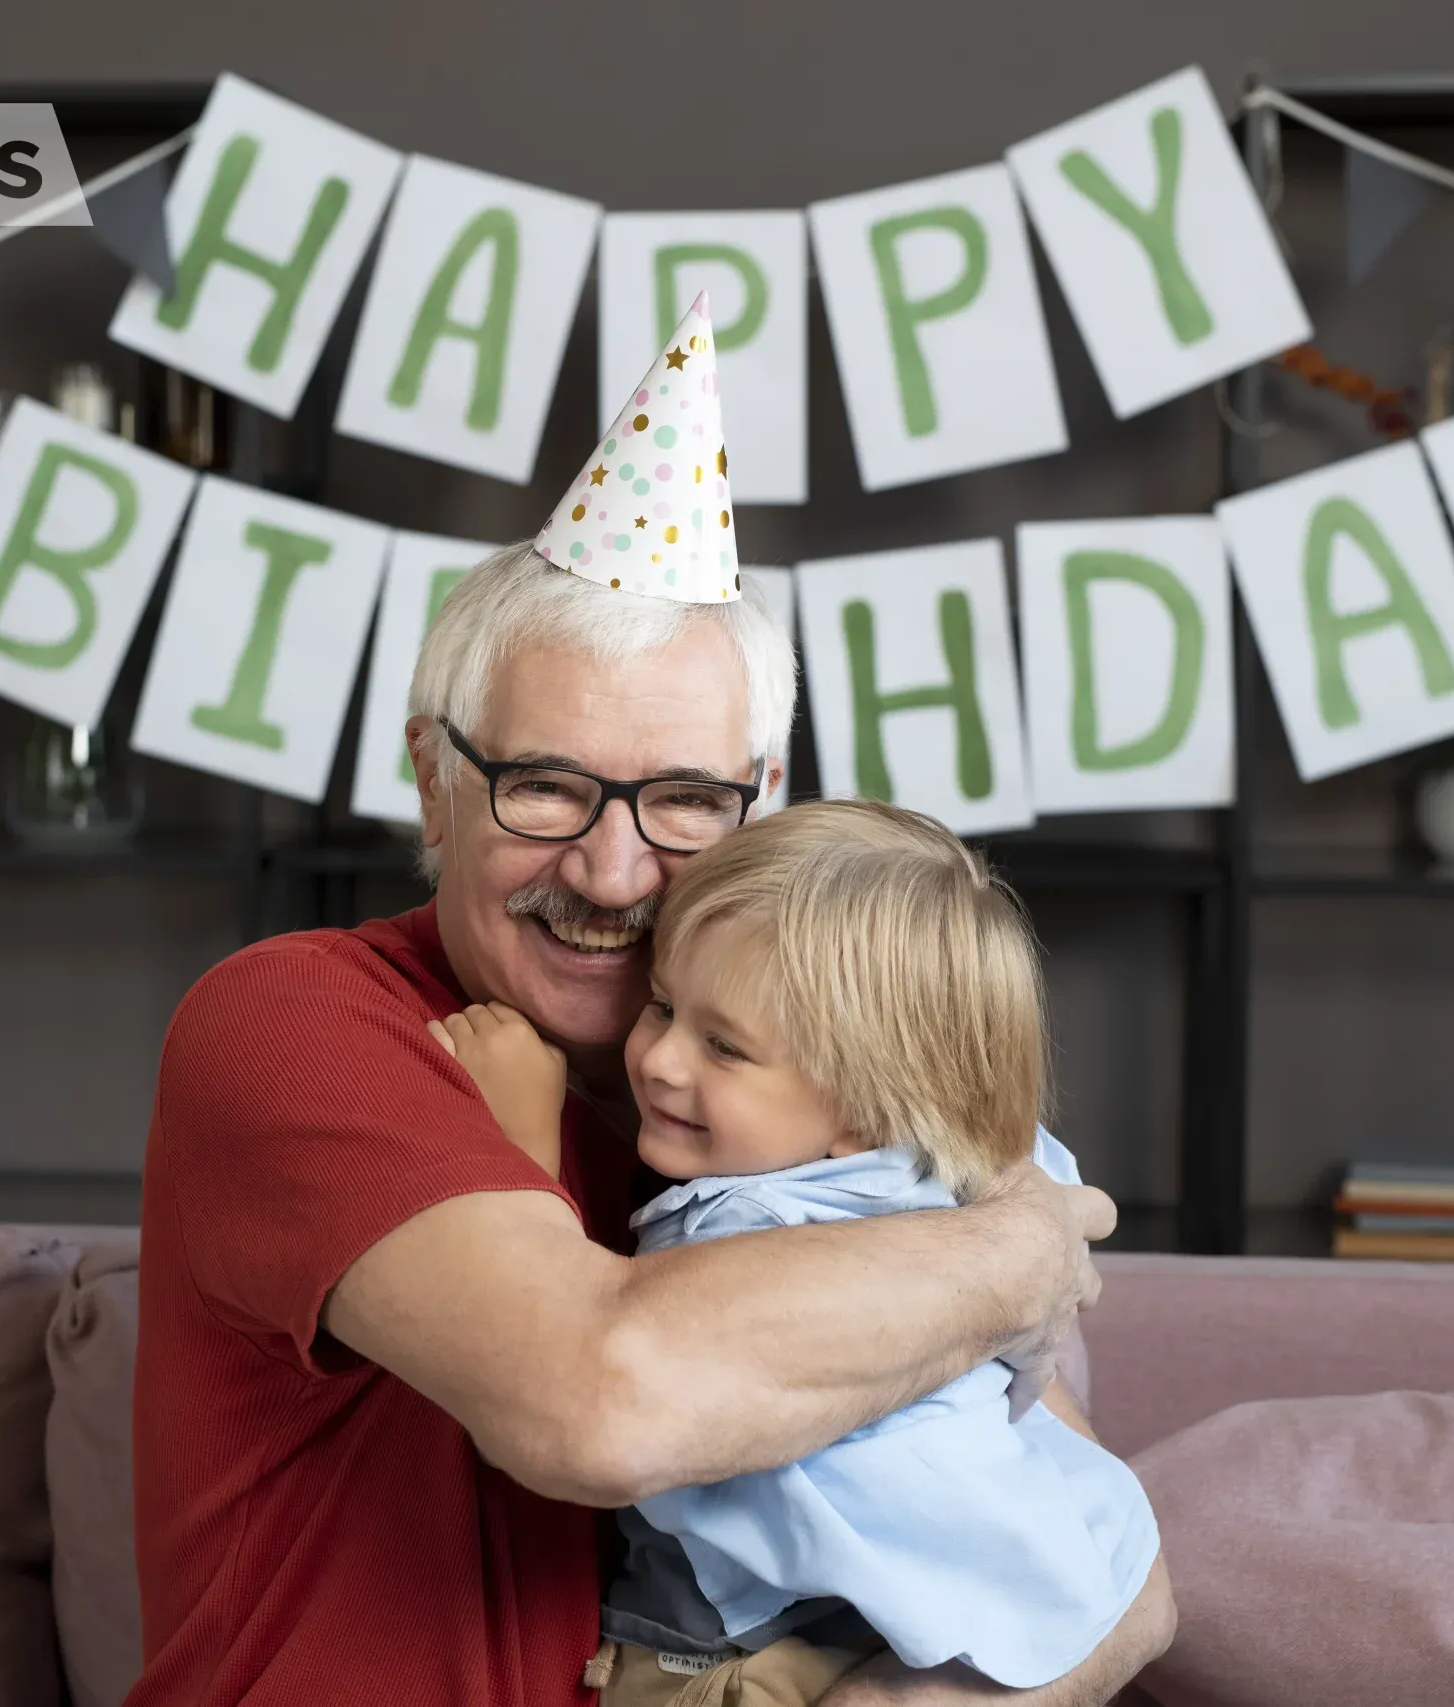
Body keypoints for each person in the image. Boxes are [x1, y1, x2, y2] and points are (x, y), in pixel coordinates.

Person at [126, 296, 1155, 1707]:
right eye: (545, 784)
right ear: (434, 774)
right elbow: (597, 1402)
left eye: (682, 799)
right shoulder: (294, 1024)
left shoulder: (771, 1114)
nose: (612, 870)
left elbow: (1112, 1567)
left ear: (763, 804)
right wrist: (1026, 1239)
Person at [432, 799, 1170, 1706]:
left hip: (728, 1661)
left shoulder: (740, 1230)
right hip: (934, 1627)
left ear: (862, 1110)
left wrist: (519, 1148)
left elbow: (566, 1359)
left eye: (724, 1048)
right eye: (662, 1005)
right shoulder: (971, 1177)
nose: (661, 1059)